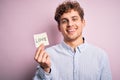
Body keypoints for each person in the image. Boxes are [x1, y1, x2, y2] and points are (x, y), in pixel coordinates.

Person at [33, 0, 112, 80]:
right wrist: (45, 69)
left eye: (74, 19)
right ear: (59, 27)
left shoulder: (101, 56)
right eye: (64, 21)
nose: (70, 24)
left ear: (83, 23)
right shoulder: (46, 56)